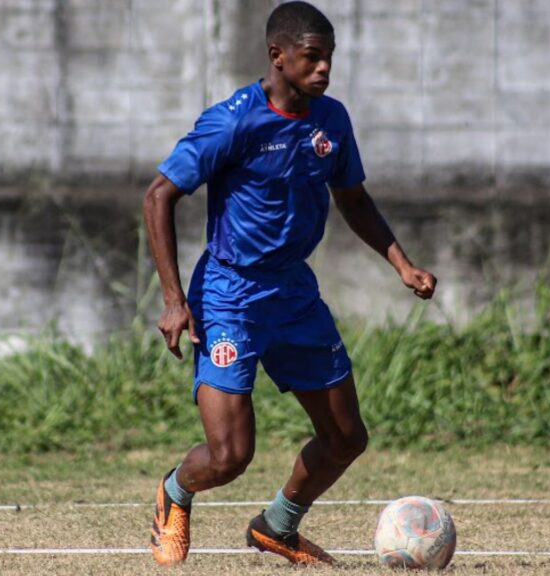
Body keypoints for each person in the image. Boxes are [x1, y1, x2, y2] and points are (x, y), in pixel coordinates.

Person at [142, 1, 437, 566]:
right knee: (230, 456)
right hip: (229, 294)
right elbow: (158, 196)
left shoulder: (332, 121)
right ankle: (174, 492)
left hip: (295, 295)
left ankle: (277, 526)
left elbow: (353, 199)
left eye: (329, 58)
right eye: (312, 57)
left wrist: (401, 263)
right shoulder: (233, 121)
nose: (324, 69)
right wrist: (175, 302)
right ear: (278, 56)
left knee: (347, 437)